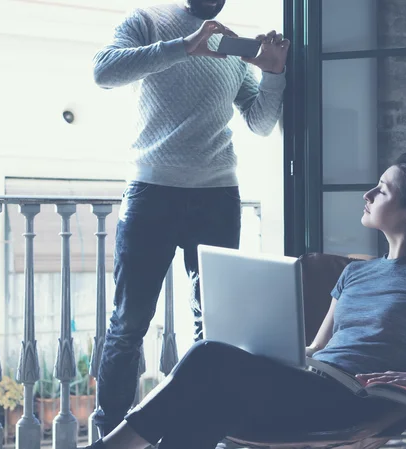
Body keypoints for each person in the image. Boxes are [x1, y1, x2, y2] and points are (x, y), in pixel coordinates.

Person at [82, 152, 406, 449]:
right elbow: (317, 350)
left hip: (353, 403)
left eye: (381, 190)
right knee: (205, 408)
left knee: (208, 358)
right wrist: (264, 349)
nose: (368, 195)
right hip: (307, 385)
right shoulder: (354, 273)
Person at [91, 0, 290, 437]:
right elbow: (104, 71)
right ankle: (110, 437)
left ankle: (194, 435)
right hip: (151, 192)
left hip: (217, 197)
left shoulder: (232, 50)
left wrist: (274, 72)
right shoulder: (146, 21)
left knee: (214, 328)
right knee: (128, 325)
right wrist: (185, 46)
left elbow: (259, 122)